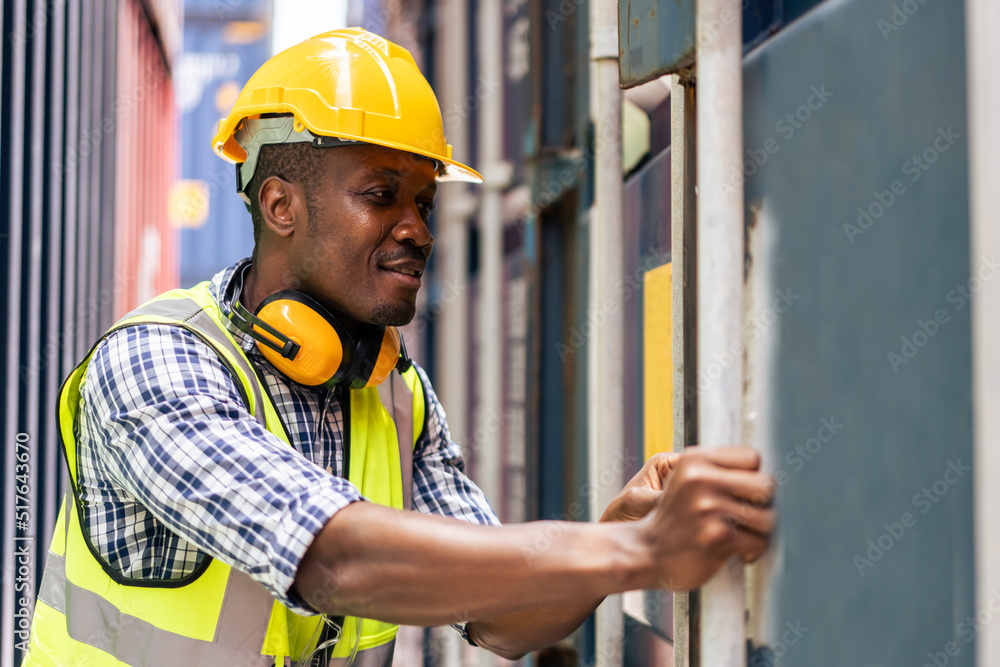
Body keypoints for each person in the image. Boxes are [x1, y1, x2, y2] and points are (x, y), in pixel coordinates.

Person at [23, 28, 774, 666]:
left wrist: (624, 532)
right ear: (281, 204)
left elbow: (504, 617)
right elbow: (334, 560)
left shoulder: (392, 391)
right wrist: (643, 556)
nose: (418, 227)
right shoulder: (156, 364)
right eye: (382, 194)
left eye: (424, 201)